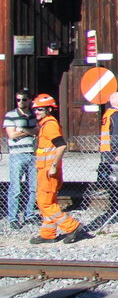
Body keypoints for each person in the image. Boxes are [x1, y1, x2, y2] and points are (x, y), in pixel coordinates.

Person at [30, 94, 85, 244]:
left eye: (40, 109)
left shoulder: (50, 125)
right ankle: (48, 234)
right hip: (46, 170)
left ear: (49, 109)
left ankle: (72, 227)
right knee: (48, 202)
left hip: (49, 171)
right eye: (35, 110)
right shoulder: (46, 125)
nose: (37, 112)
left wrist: (53, 166)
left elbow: (61, 145)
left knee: (45, 203)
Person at [5, 89, 39, 229]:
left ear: (29, 100)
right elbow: (11, 135)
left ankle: (29, 214)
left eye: (24, 99)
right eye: (18, 100)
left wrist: (22, 130)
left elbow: (37, 131)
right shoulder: (10, 115)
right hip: (16, 155)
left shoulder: (33, 115)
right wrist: (28, 131)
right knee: (16, 188)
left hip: (31, 153)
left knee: (33, 187)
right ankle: (13, 217)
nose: (21, 102)